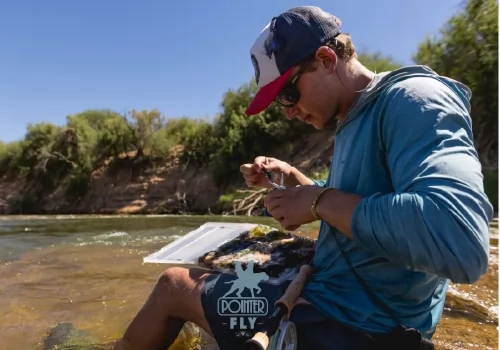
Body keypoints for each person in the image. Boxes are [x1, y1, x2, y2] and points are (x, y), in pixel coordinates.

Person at [114, 6, 493, 350]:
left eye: (289, 94)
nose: (289, 112)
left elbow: (460, 240)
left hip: (355, 328)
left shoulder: (414, 99)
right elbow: (356, 202)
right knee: (230, 265)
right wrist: (293, 179)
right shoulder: (354, 118)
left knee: (173, 286)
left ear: (326, 59)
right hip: (347, 305)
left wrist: (318, 202)